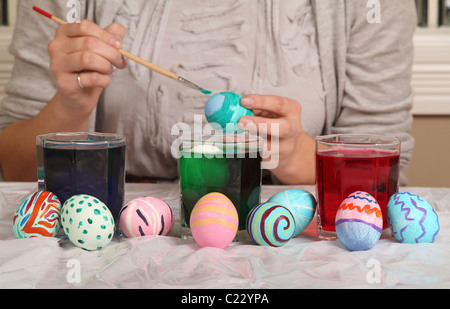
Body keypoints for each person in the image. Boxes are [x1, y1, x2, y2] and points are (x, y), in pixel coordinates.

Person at [0, 0, 416, 186]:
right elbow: (17, 171)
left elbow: (379, 176)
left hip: (291, 244)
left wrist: (294, 155)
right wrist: (71, 107)